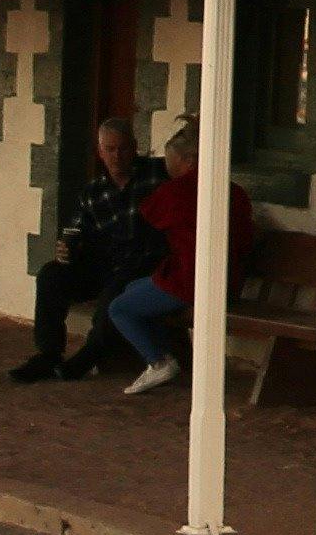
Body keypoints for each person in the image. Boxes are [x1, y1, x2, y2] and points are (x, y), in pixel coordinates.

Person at [20, 116, 153, 381]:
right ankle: (48, 353)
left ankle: (90, 354)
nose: (117, 156)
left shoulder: (154, 178)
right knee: (51, 274)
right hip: (103, 263)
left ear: (135, 147)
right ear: (100, 152)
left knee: (118, 290)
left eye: (123, 148)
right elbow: (76, 230)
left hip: (140, 265)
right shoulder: (93, 191)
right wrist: (66, 248)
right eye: (110, 149)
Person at [102, 124, 208, 402]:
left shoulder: (181, 190)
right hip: (225, 277)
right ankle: (166, 355)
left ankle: (159, 362)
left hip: (190, 279)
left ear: (187, 160)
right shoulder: (228, 188)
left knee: (120, 307)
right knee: (135, 287)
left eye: (170, 161)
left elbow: (150, 212)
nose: (167, 167)